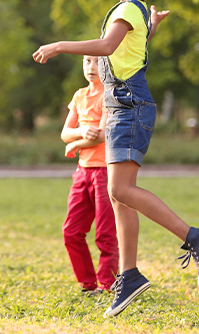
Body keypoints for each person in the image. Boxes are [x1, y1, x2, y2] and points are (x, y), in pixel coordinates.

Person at [33, 0, 199, 317]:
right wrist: (154, 27)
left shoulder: (128, 9)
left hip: (128, 105)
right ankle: (129, 274)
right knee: (118, 195)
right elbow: (132, 48)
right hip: (124, 104)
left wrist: (59, 45)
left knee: (120, 188)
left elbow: (107, 48)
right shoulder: (136, 12)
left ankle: (194, 237)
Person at [61, 55, 118, 296]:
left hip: (105, 172)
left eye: (97, 62)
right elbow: (65, 132)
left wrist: (74, 145)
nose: (91, 67)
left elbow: (103, 134)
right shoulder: (79, 96)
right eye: (87, 61)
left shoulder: (109, 94)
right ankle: (88, 284)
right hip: (82, 172)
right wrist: (80, 132)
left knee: (105, 234)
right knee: (71, 232)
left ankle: (108, 285)